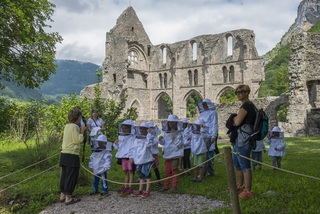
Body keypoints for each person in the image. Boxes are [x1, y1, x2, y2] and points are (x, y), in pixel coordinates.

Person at [232, 84, 256, 199]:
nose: (239, 94)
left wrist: (233, 118)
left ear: (247, 92)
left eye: (242, 91)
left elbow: (236, 122)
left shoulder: (247, 105)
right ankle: (240, 185)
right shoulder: (246, 105)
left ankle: (248, 190)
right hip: (240, 139)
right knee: (237, 164)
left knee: (245, 166)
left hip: (244, 139)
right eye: (237, 92)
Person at [59, 107, 86, 205]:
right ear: (77, 117)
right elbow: (77, 140)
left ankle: (62, 194)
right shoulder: (75, 127)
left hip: (64, 153)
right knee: (71, 176)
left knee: (65, 175)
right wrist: (82, 132)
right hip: (72, 154)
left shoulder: (67, 126)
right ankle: (68, 197)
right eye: (80, 116)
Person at [158, 114, 184, 192]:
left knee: (174, 169)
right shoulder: (166, 133)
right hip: (167, 154)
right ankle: (166, 186)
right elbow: (164, 143)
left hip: (175, 154)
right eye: (170, 122)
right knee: (167, 171)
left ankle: (174, 186)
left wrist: (174, 139)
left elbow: (180, 145)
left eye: (173, 122)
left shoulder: (179, 133)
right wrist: (160, 140)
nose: (171, 124)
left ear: (176, 123)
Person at [130, 122, 154, 198]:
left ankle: (147, 191)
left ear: (147, 130)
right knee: (141, 175)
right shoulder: (136, 139)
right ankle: (140, 190)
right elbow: (134, 149)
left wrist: (149, 134)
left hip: (146, 159)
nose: (142, 130)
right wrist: (131, 157)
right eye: (141, 128)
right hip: (138, 160)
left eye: (144, 128)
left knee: (147, 176)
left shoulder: (149, 138)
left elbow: (149, 144)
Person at [113, 119, 135, 195]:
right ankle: (125, 186)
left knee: (130, 171)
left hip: (129, 157)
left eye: (126, 128)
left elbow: (133, 148)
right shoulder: (121, 137)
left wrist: (131, 157)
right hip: (123, 157)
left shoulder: (132, 138)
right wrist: (115, 144)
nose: (124, 130)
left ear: (130, 128)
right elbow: (118, 148)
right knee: (125, 172)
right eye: (123, 128)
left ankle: (130, 187)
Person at [197, 98, 218, 176]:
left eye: (205, 104)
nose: (204, 105)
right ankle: (211, 171)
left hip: (209, 135)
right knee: (204, 153)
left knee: (205, 153)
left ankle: (204, 172)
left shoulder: (213, 112)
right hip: (202, 134)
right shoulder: (202, 113)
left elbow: (214, 124)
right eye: (203, 104)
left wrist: (214, 135)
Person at [146, 121, 162, 188]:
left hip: (154, 154)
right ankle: (146, 180)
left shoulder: (155, 137)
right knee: (147, 168)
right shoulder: (147, 136)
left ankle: (159, 181)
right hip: (147, 154)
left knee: (155, 168)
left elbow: (150, 144)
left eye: (151, 128)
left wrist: (149, 135)